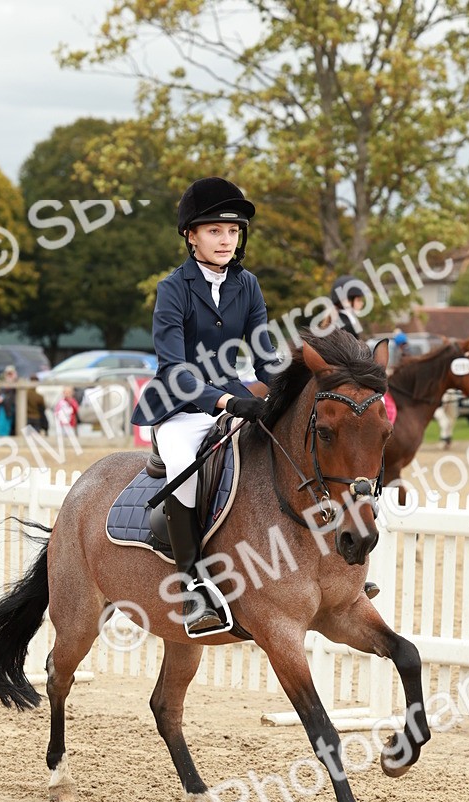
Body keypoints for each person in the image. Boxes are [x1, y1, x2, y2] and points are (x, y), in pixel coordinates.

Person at [132, 176, 280, 637]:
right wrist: (224, 400)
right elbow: (174, 367)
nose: (226, 240)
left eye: (233, 232)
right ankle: (193, 585)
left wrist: (291, 389)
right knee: (187, 472)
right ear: (191, 235)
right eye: (215, 231)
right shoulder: (173, 288)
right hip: (179, 407)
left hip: (231, 398)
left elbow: (266, 354)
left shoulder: (248, 284)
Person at [328, 275, 366, 339]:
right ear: (347, 301)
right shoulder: (347, 326)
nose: (362, 303)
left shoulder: (338, 321)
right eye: (358, 300)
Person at [0, 365, 18, 438]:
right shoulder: (2, 385)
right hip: (5, 408)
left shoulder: (17, 384)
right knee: (3, 428)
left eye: (11, 374)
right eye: (8, 374)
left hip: (14, 408)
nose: (9, 376)